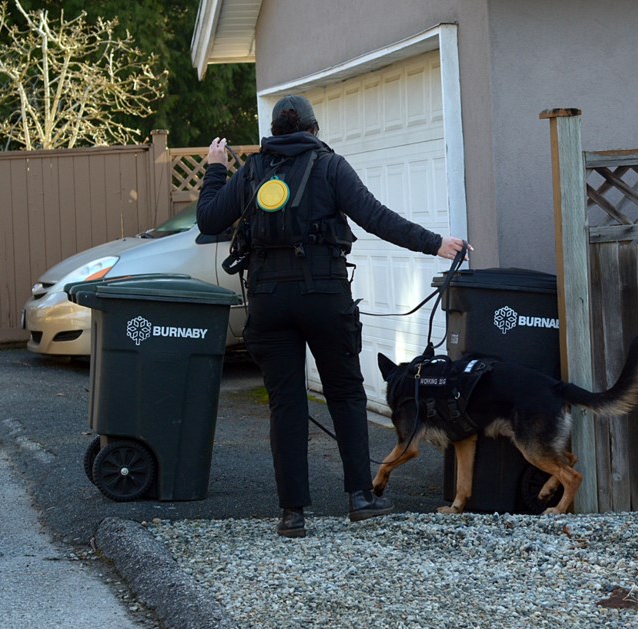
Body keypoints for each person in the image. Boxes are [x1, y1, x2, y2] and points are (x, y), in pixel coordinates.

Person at [196, 94, 469, 538]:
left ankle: (292, 515)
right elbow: (375, 217)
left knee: (286, 403)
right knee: (344, 393)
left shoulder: (251, 172)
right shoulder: (330, 166)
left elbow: (209, 220)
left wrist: (213, 166)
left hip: (267, 296)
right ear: (313, 129)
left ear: (276, 131)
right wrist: (435, 243)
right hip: (323, 294)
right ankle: (360, 498)